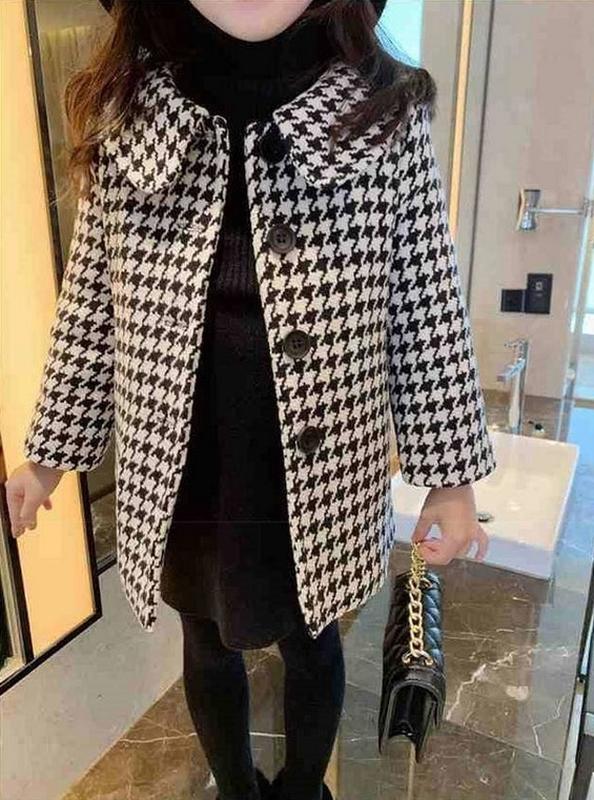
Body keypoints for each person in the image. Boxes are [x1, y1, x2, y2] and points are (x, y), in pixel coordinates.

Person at [6, 1, 495, 799]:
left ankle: (302, 790)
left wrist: (451, 475)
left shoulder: (382, 113)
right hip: (185, 455)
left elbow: (424, 298)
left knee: (313, 639)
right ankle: (236, 789)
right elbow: (91, 303)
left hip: (323, 458)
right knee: (204, 638)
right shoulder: (132, 113)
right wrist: (49, 456)